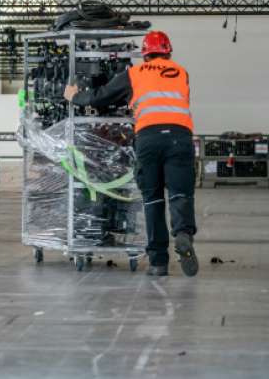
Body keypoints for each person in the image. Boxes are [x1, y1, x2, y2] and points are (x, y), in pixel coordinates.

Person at [63, 30, 198, 278]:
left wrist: (75, 96)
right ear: (168, 51)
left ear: (145, 54)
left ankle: (158, 262)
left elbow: (100, 96)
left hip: (148, 138)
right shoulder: (182, 73)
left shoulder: (134, 74)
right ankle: (182, 234)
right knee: (180, 193)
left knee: (153, 199)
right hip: (180, 137)